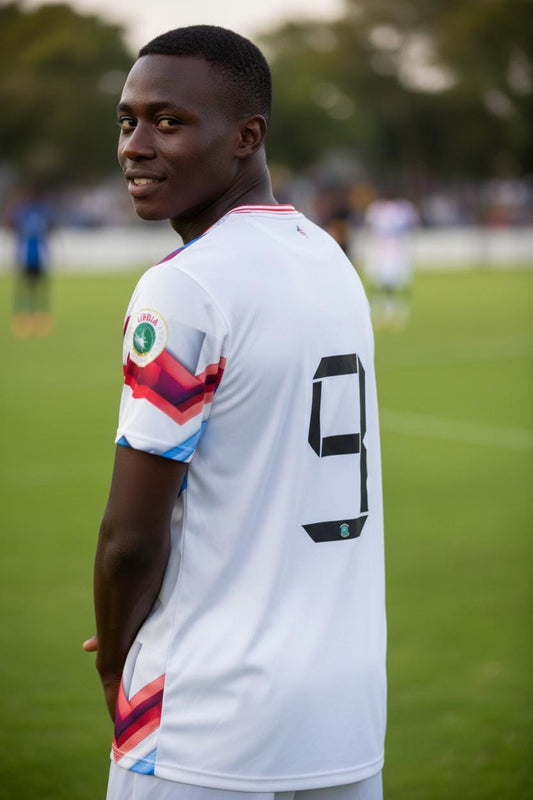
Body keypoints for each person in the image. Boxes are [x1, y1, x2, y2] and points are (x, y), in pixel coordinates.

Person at [83, 25, 386, 800]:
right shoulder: (326, 258)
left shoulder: (186, 287)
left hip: (205, 716)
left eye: (169, 121)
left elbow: (129, 539)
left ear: (246, 136)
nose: (136, 145)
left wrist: (119, 664)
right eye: (128, 121)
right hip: (342, 710)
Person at [364, 189, 419, 329]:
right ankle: (383, 309)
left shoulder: (402, 208)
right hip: (382, 250)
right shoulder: (377, 209)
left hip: (396, 250)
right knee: (379, 283)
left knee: (397, 283)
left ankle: (397, 310)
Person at [8, 186, 53, 337]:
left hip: (35, 256)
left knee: (36, 290)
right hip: (28, 256)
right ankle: (28, 319)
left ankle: (35, 319)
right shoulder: (28, 211)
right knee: (28, 290)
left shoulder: (32, 211)